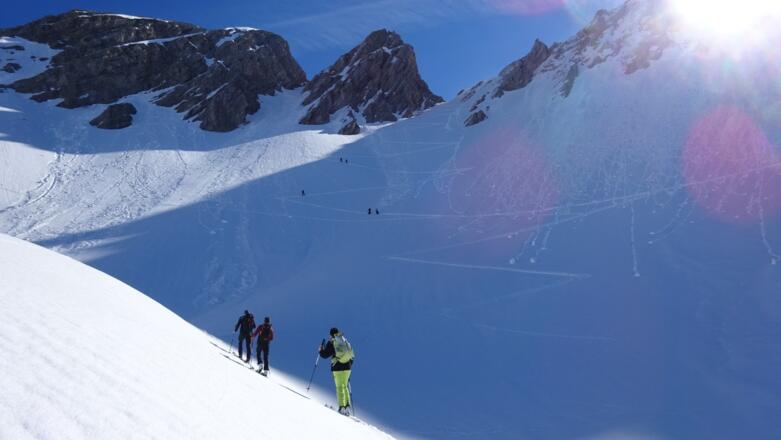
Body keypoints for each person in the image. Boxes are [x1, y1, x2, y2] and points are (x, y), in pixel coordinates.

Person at [319, 327, 355, 416]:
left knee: (339, 387)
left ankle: (342, 407)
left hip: (338, 367)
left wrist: (320, 350)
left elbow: (325, 355)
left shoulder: (332, 342)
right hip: (348, 366)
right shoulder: (345, 340)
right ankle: (347, 406)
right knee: (345, 386)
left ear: (331, 334)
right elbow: (352, 354)